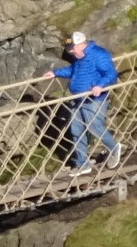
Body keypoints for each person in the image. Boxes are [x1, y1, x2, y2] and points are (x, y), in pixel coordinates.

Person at [51, 31, 122, 173]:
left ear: (81, 45)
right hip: (78, 98)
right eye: (68, 48)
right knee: (76, 129)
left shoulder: (99, 54)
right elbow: (73, 71)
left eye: (71, 47)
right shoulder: (78, 56)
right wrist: (55, 73)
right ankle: (83, 164)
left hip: (94, 99)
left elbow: (111, 73)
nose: (69, 51)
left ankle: (114, 149)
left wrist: (99, 85)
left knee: (94, 126)